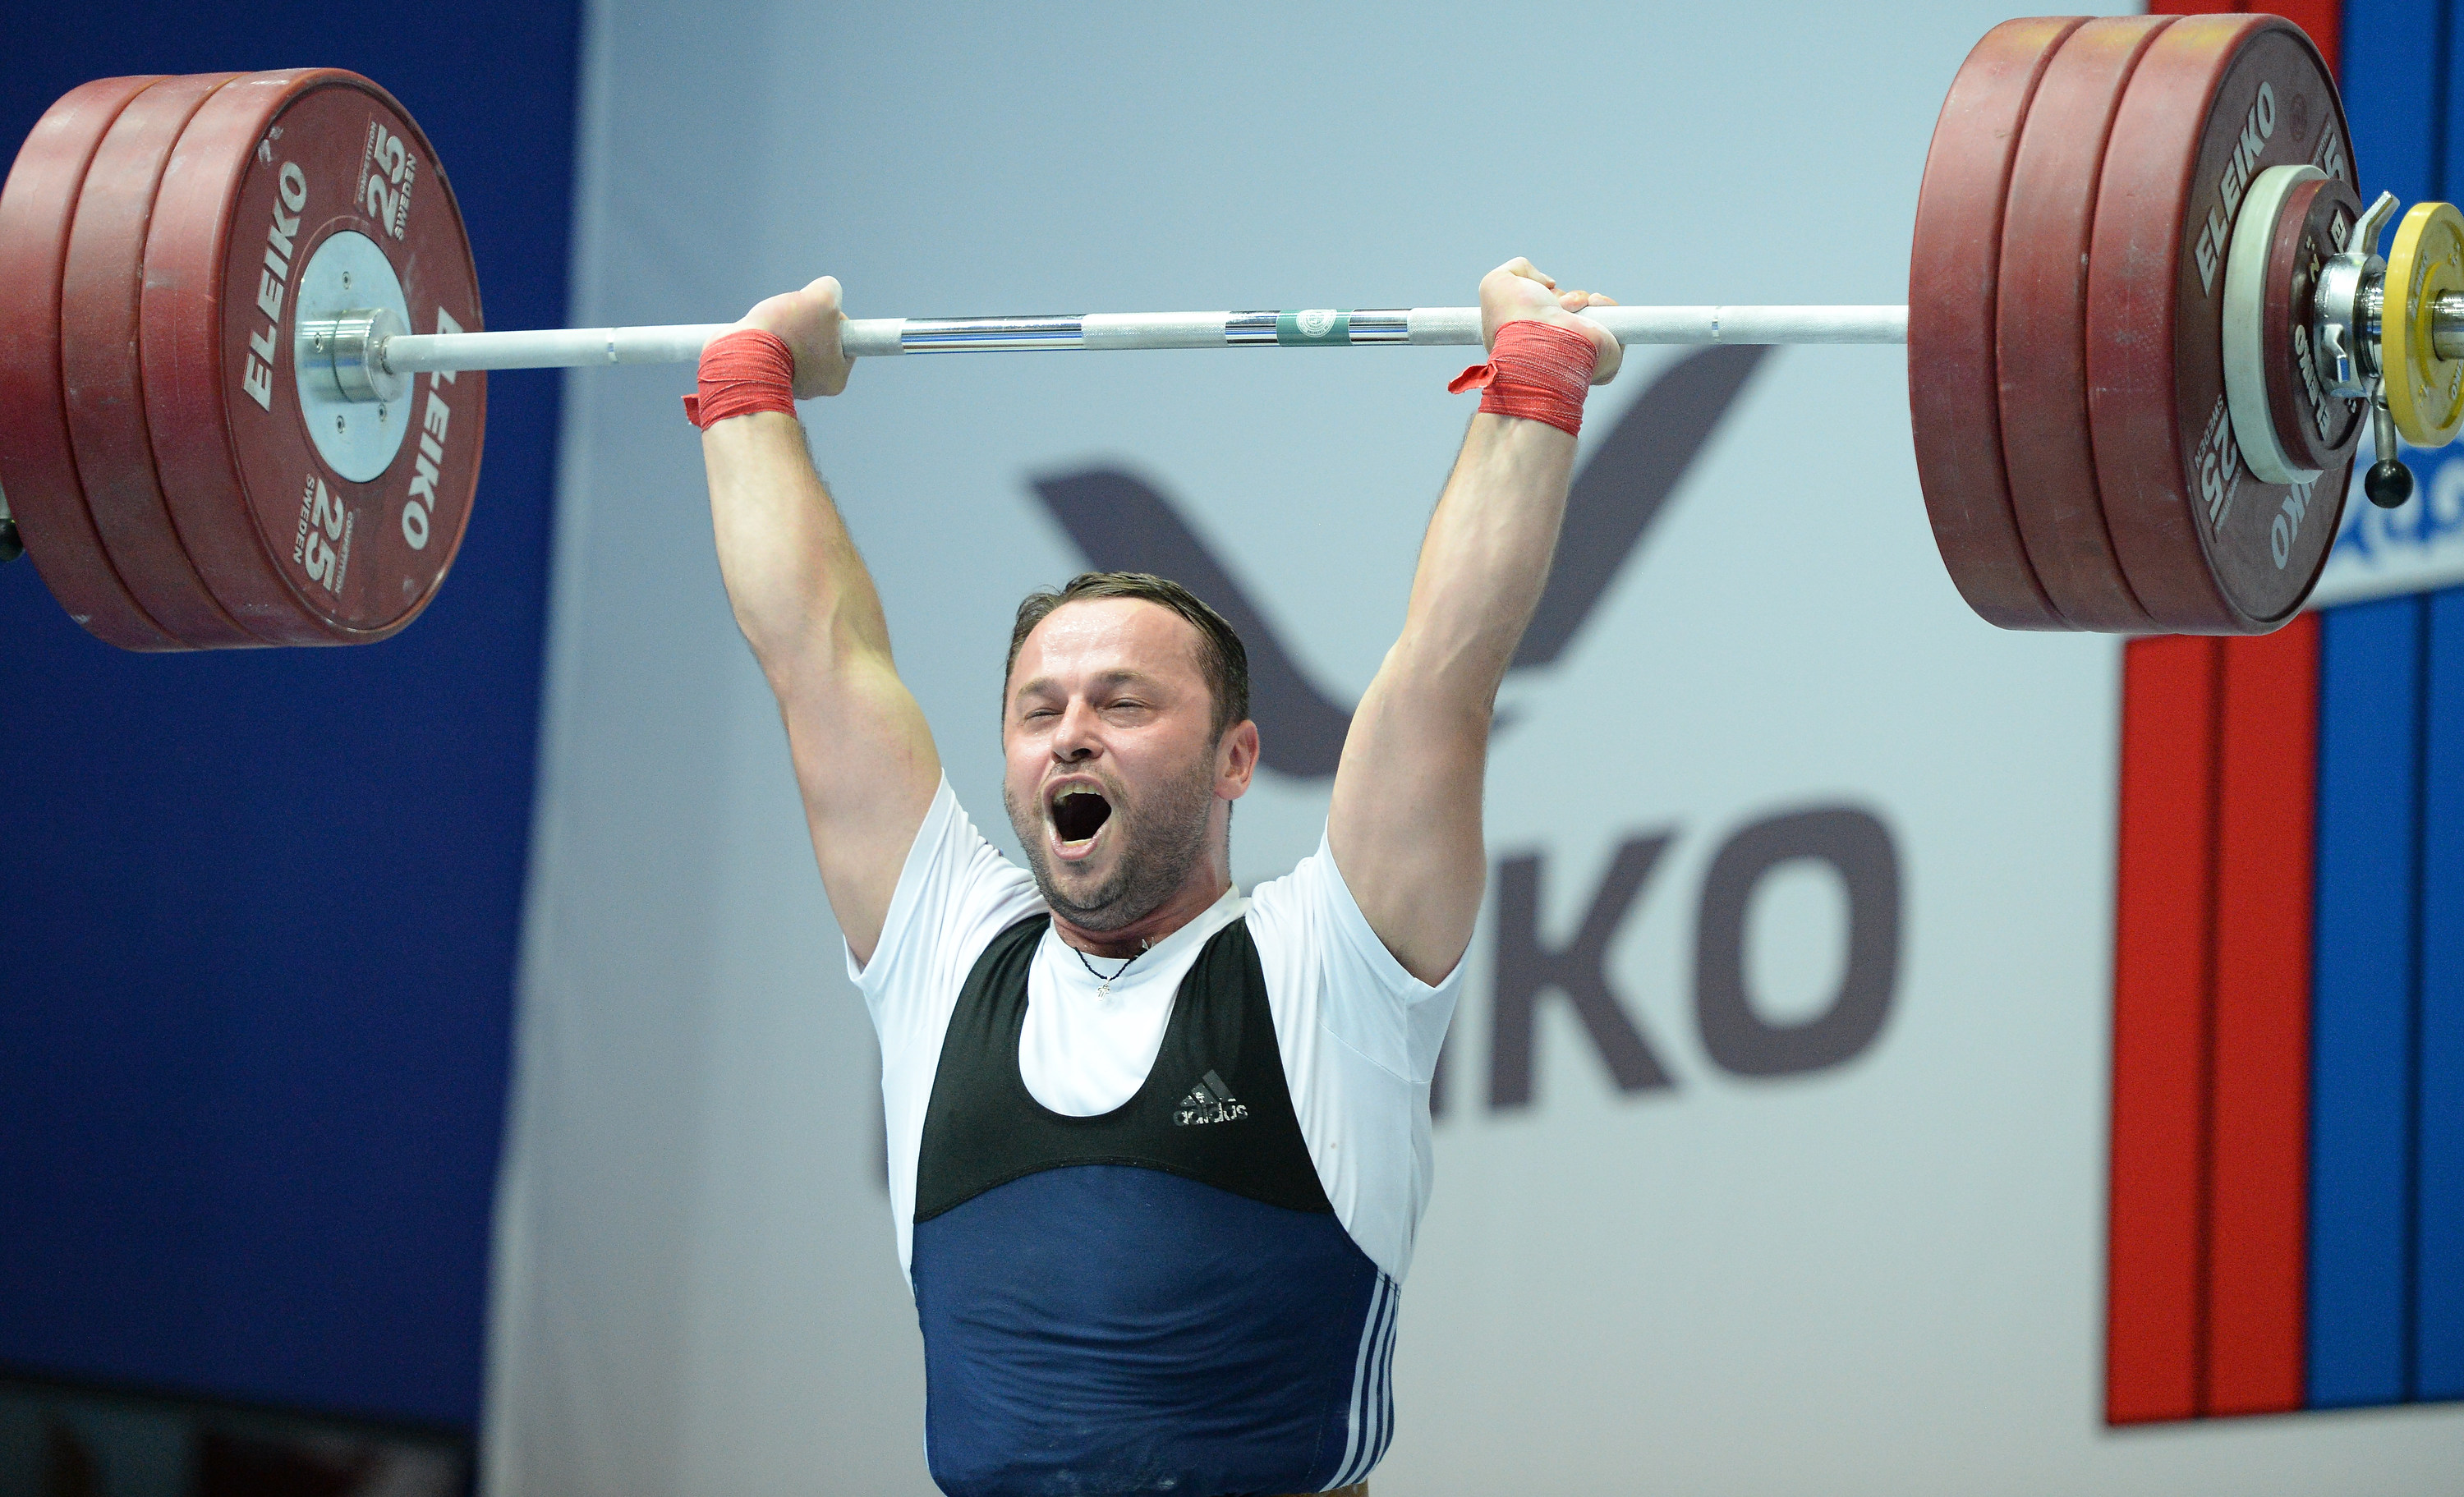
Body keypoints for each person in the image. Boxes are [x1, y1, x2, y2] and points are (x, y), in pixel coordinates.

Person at [694, 259, 1620, 1497]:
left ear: (1238, 757)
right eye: (1039, 710)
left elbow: (1449, 662)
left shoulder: (1328, 966)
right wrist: (748, 382)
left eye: (1123, 702)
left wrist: (1534, 380)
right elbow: (816, 655)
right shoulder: (948, 950)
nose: (1072, 734)